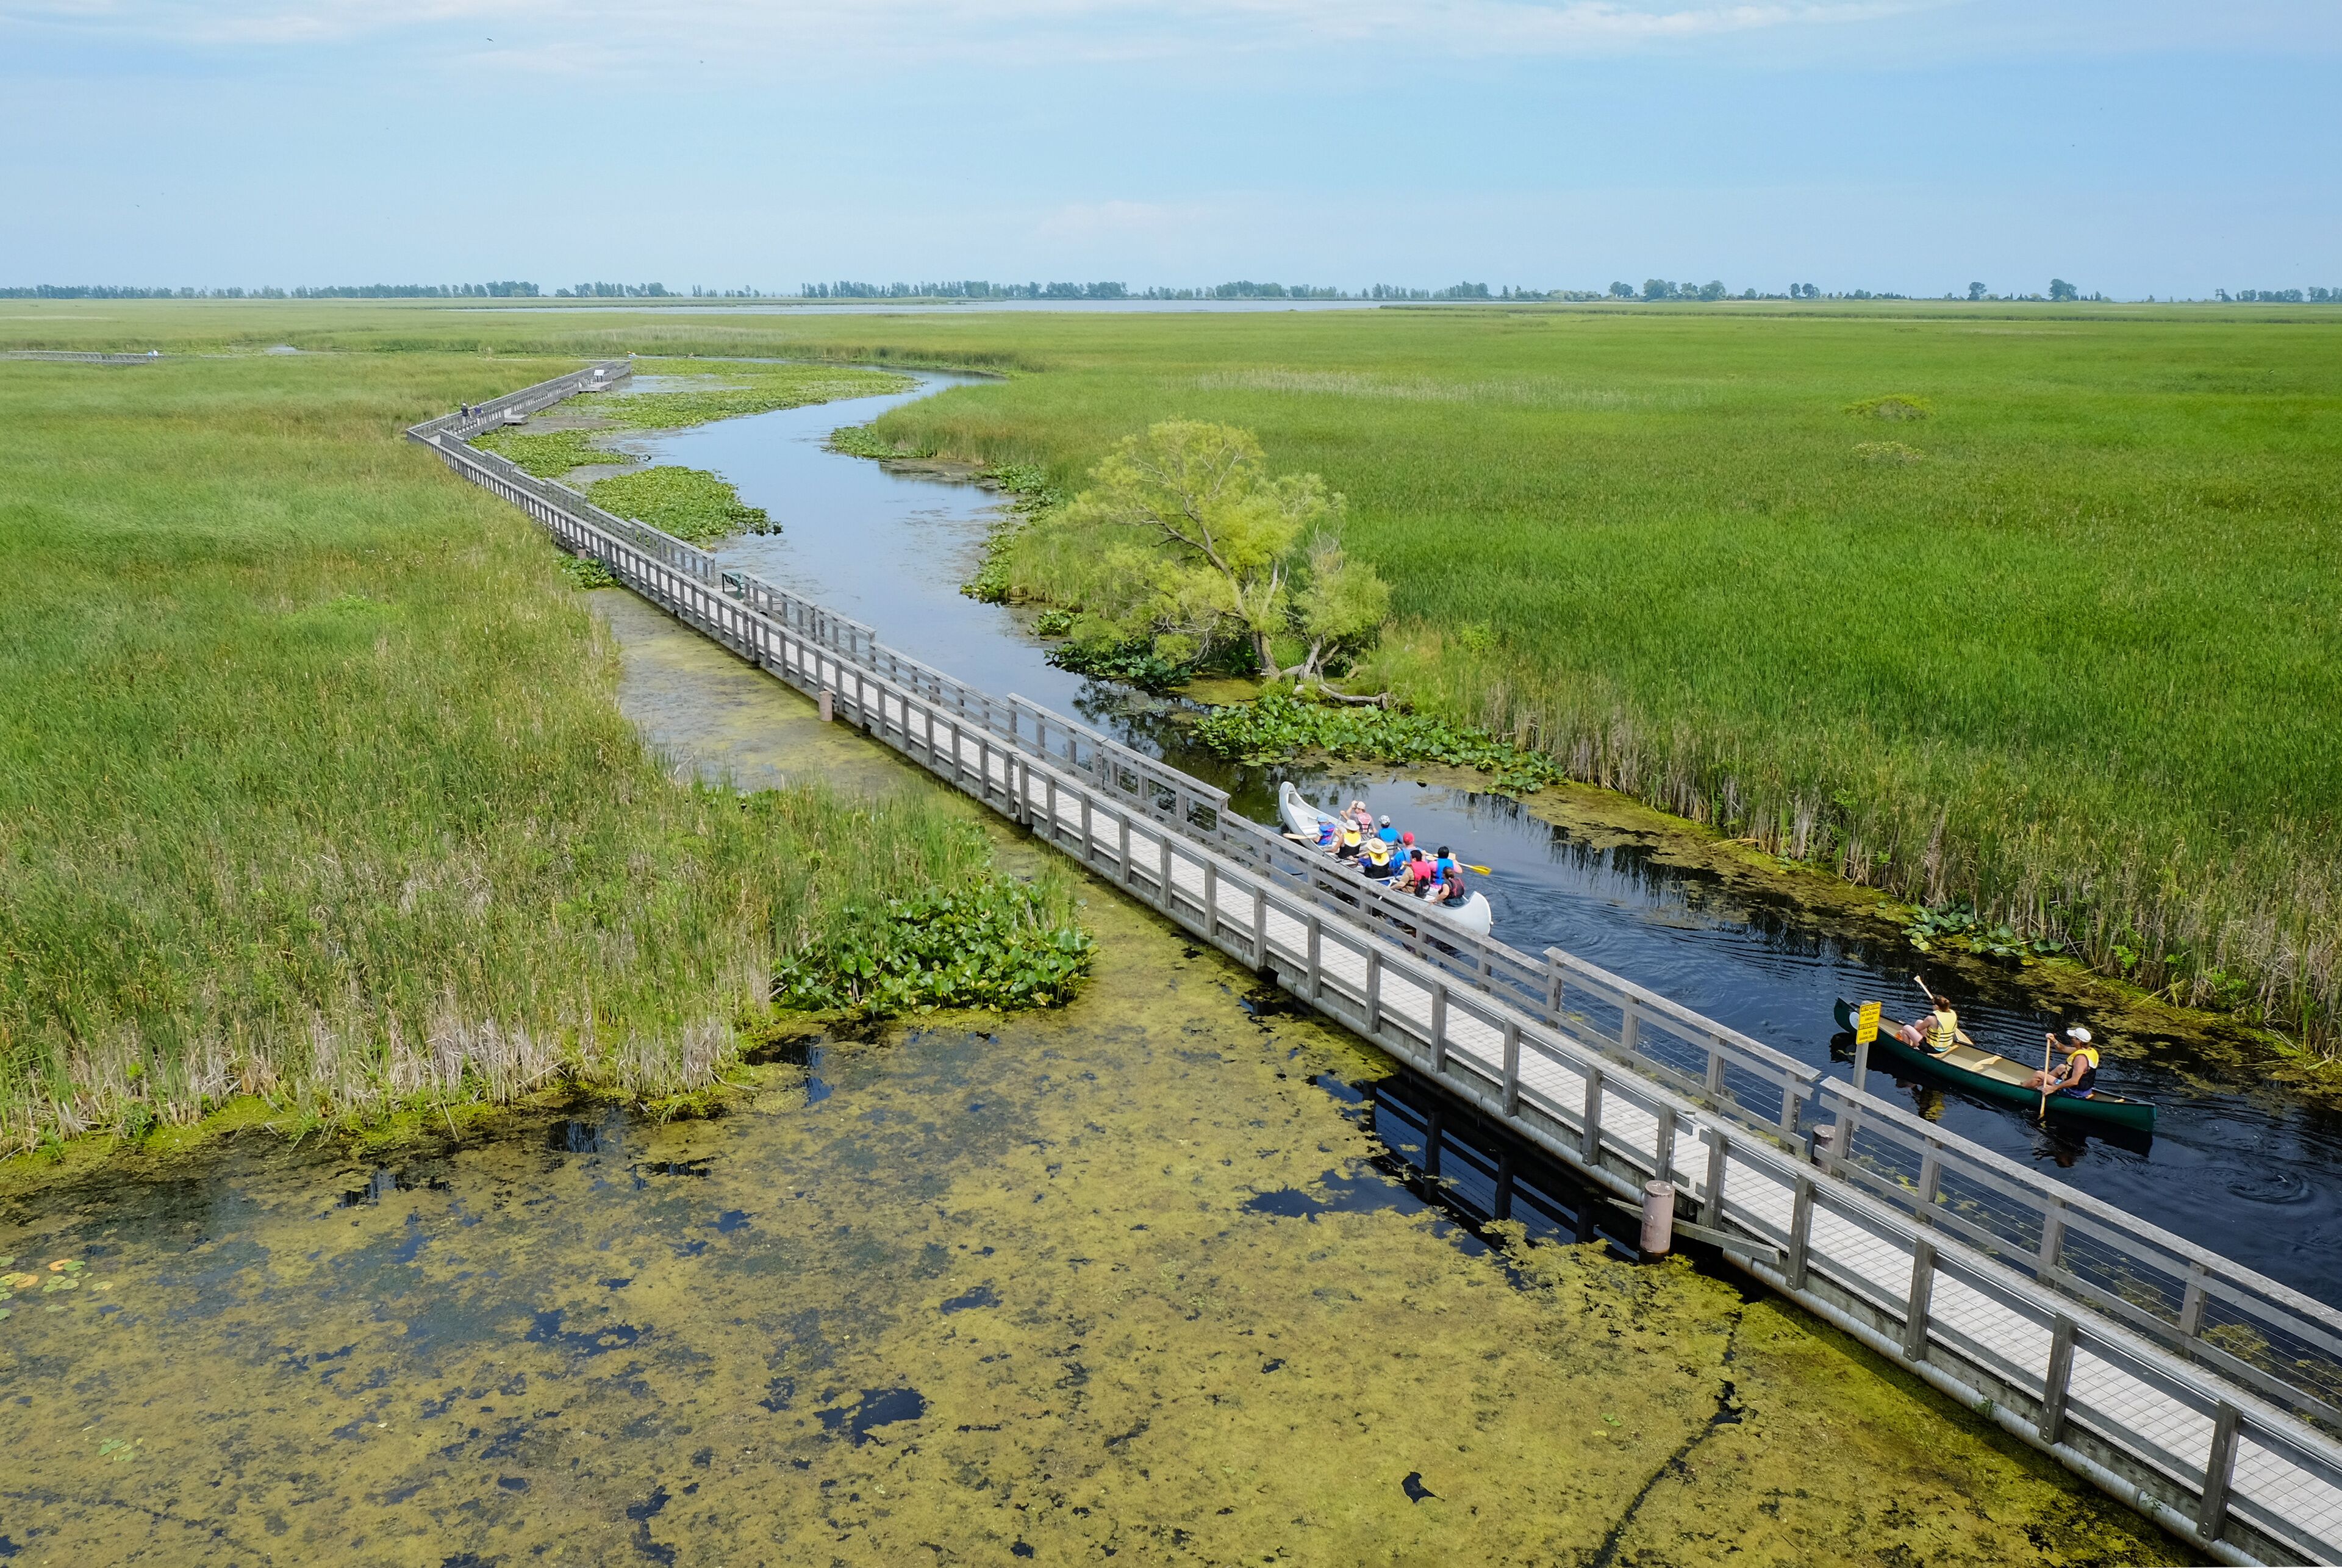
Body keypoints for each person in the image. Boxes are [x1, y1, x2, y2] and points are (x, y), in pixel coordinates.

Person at [2026, 1026, 2100, 1098]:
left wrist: (2054, 1088)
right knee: (2061, 1067)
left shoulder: (2081, 1059)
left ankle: (2023, 1088)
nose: (2071, 1040)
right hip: (2083, 1089)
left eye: (2072, 1038)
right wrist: (2054, 1041)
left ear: (2079, 1041)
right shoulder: (2089, 1051)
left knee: (2039, 1074)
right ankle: (2040, 1085)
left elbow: (2074, 1081)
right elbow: (2064, 1049)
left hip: (2074, 1092)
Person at [1896, 993, 1972, 1056]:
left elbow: (1917, 1029)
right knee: (1919, 1022)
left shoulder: (1931, 1018)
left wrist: (1904, 1031)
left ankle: (1906, 1050)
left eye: (1932, 1004)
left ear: (1936, 1006)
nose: (1932, 1006)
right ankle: (1915, 1046)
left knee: (1906, 1028)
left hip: (1933, 1049)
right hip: (1945, 1046)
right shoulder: (1952, 1013)